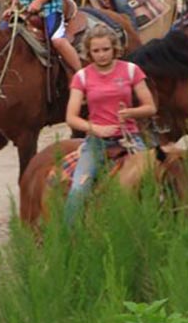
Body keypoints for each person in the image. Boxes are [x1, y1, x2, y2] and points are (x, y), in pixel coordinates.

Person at [64, 23, 156, 225]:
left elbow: (150, 107)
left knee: (154, 184)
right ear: (89, 52)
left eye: (106, 49)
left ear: (115, 48)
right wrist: (94, 128)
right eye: (96, 50)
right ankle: (68, 239)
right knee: (78, 190)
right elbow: (71, 117)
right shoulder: (82, 77)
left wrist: (131, 112)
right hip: (97, 143)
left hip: (130, 139)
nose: (102, 55)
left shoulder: (131, 70)